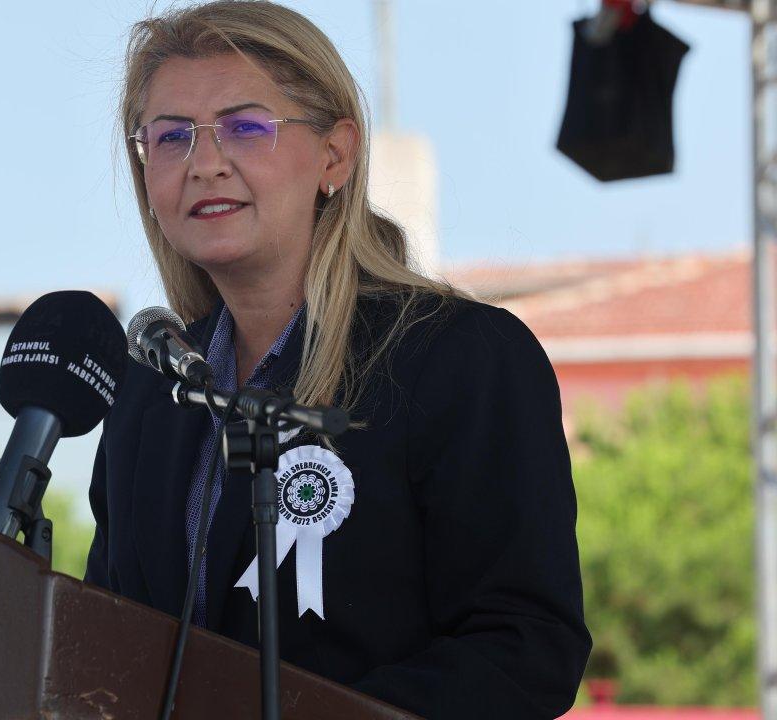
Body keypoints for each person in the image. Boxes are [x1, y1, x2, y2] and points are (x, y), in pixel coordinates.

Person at [83, 2, 592, 718]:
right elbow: (106, 646)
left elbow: (525, 647)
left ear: (336, 155)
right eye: (171, 137)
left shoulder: (461, 358)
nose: (204, 164)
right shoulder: (150, 389)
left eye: (245, 127)